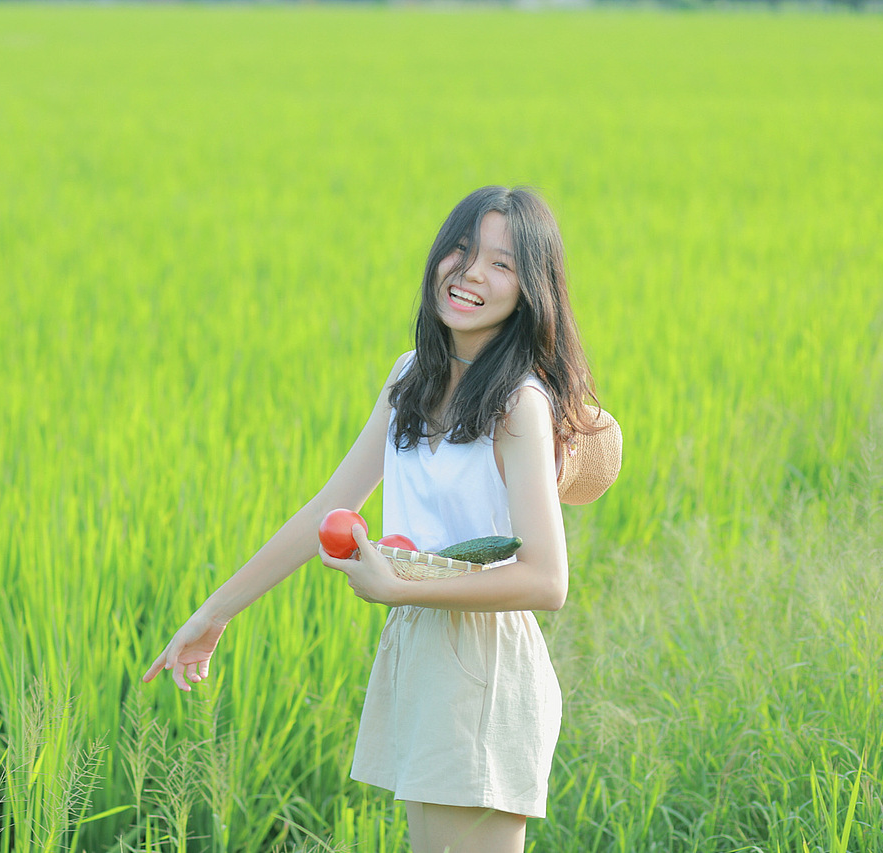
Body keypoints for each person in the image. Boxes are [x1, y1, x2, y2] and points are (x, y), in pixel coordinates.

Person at [143, 186, 603, 853]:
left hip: (481, 661)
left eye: (501, 264)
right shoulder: (412, 374)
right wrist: (216, 610)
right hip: (419, 648)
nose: (472, 271)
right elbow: (330, 507)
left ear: (533, 290)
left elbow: (546, 579)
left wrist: (401, 588)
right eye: (463, 249)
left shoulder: (517, 403)